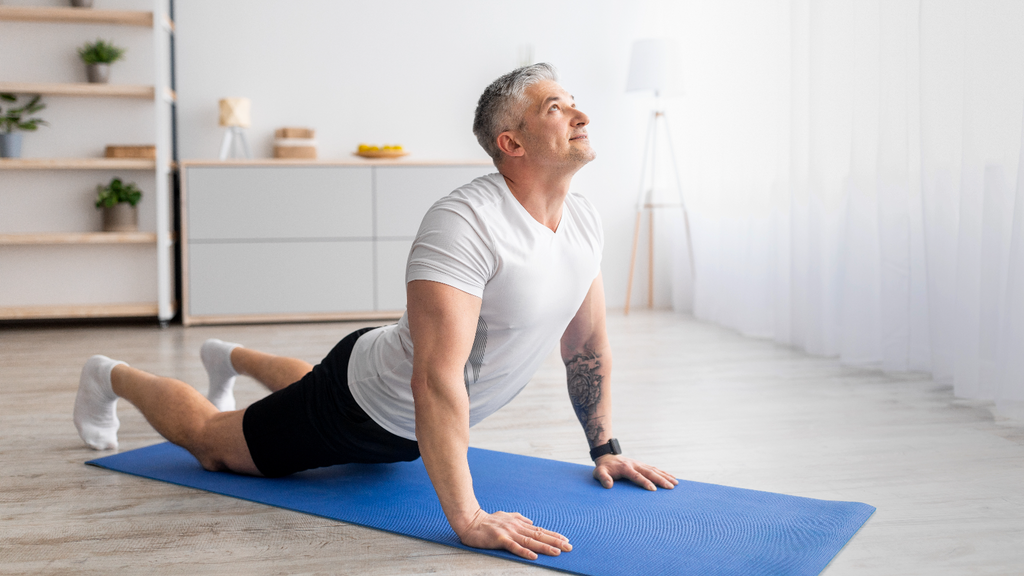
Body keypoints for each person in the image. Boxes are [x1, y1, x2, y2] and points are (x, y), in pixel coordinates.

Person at [73, 63, 677, 561]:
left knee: (309, 391)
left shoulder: (585, 220)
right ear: (511, 143)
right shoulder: (465, 223)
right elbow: (434, 379)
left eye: (574, 103)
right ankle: (109, 375)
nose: (581, 115)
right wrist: (466, 518)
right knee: (211, 444)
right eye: (555, 107)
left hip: (397, 400)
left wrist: (606, 448)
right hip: (364, 407)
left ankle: (228, 356)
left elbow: (587, 346)